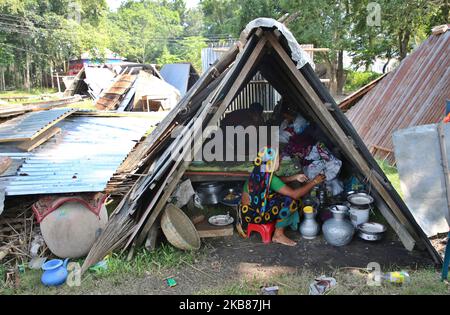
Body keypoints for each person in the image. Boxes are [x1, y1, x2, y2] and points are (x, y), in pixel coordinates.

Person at [239, 146, 326, 246]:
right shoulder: (271, 178)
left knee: (281, 196)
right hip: (256, 216)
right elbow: (295, 194)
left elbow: (274, 181)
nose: (280, 163)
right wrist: (314, 182)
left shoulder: (260, 170)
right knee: (291, 202)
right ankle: (278, 235)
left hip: (247, 211)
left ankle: (280, 228)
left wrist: (294, 177)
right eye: (279, 160)